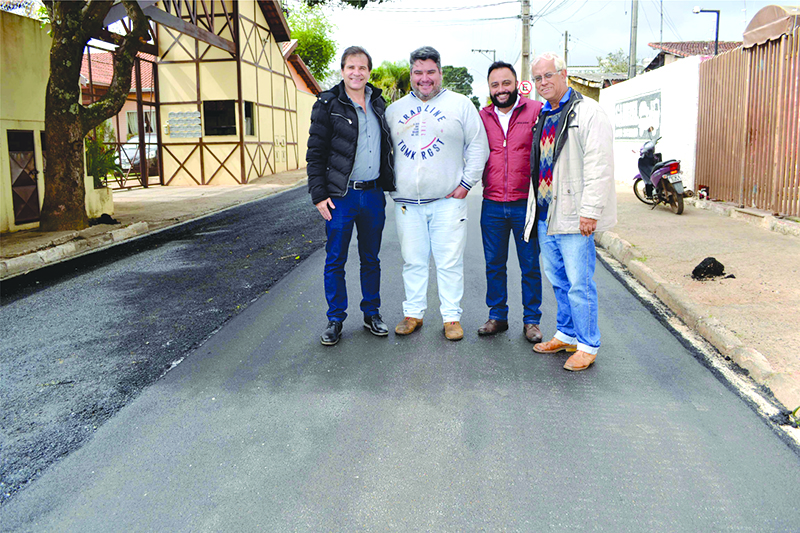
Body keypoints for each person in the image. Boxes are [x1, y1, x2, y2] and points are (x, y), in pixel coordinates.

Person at [387, 46, 489, 341]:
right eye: (418, 72)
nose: (425, 78)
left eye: (431, 71)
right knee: (413, 261)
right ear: (411, 75)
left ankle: (451, 318)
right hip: (407, 204)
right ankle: (413, 314)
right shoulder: (394, 111)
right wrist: (392, 187)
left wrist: (466, 184)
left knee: (449, 262)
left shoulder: (461, 105)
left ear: (440, 73)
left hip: (448, 201)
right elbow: (384, 151)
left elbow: (478, 146)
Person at [522, 52, 617, 371]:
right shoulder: (544, 114)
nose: (543, 82)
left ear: (564, 75)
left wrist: (590, 211)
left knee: (580, 283)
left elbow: (599, 165)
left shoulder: (588, 112)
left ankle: (588, 345)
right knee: (560, 281)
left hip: (576, 215)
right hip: (547, 215)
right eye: (537, 78)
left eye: (548, 75)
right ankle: (566, 334)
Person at [306, 46, 395, 346]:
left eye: (362, 67)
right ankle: (335, 319)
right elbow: (315, 153)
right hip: (340, 197)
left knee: (371, 258)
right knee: (335, 259)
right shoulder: (327, 103)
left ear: (369, 71)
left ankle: (372, 313)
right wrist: (319, 195)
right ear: (342, 70)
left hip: (373, 195)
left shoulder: (379, 103)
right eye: (351, 67)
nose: (357, 73)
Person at [477, 61, 544, 343]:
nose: (501, 89)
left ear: (516, 84)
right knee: (494, 264)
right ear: (489, 88)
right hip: (492, 203)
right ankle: (498, 316)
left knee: (529, 265)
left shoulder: (536, 110)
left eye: (506, 83)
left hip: (525, 204)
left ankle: (532, 321)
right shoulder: (481, 117)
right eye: (495, 85)